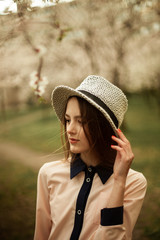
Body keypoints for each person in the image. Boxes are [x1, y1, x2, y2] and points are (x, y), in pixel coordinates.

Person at [34, 75, 147, 240]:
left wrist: (119, 182)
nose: (70, 129)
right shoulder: (48, 174)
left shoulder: (133, 183)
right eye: (67, 120)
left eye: (81, 121)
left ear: (103, 128)